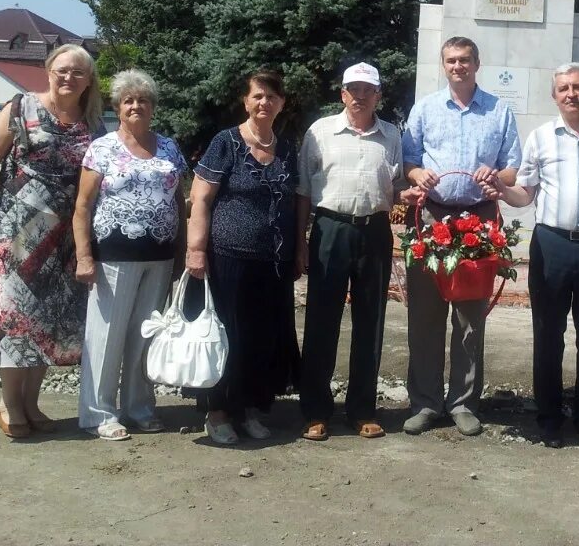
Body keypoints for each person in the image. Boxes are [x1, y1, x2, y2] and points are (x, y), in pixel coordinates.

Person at [486, 63, 579, 450]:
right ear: (554, 96)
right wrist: (502, 194)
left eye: (578, 87)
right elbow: (525, 193)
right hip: (552, 245)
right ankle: (550, 420)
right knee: (548, 334)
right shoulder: (540, 138)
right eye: (563, 89)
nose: (571, 94)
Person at [0, 43, 103, 439]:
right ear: (48, 70)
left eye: (78, 72)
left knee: (49, 320)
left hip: (66, 234)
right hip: (20, 228)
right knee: (18, 315)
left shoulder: (93, 121)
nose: (68, 78)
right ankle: (9, 403)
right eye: (62, 70)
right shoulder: (19, 108)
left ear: (88, 80)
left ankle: (31, 402)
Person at [401, 37, 521, 437]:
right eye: (451, 60)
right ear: (443, 64)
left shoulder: (498, 111)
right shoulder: (426, 109)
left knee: (470, 318)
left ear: (477, 63)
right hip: (432, 218)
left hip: (478, 221)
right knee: (425, 314)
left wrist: (496, 177)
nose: (458, 66)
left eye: (465, 60)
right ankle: (425, 402)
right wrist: (417, 175)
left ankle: (464, 403)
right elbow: (409, 159)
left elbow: (512, 168)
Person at [297, 63, 424, 440]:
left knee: (371, 321)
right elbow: (303, 190)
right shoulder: (320, 132)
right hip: (330, 230)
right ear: (342, 94)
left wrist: (408, 193)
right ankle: (316, 411)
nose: (360, 96)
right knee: (321, 322)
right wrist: (300, 241)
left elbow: (396, 185)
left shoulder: (390, 136)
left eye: (368, 90)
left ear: (378, 96)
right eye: (353, 89)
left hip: (374, 232)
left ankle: (362, 409)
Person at [186, 68, 301, 445]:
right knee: (227, 336)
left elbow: (299, 203)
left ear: (282, 103)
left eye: (272, 96)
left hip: (274, 263)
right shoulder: (227, 142)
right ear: (246, 101)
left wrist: (300, 248)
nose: (264, 102)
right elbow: (200, 198)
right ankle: (218, 411)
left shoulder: (286, 148)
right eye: (257, 96)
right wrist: (196, 250)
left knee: (263, 338)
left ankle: (250, 408)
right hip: (228, 258)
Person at [72, 69, 187, 440]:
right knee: (106, 337)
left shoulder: (169, 147)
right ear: (118, 107)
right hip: (112, 257)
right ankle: (98, 413)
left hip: (160, 257)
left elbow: (180, 203)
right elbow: (82, 207)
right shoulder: (101, 148)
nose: (136, 105)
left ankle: (138, 408)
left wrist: (182, 256)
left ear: (153, 106)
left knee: (145, 336)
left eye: (143, 100)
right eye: (128, 100)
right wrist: (84, 256)